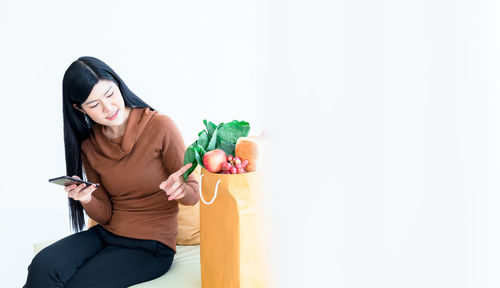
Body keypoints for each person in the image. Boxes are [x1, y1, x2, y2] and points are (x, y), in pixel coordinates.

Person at [24, 56, 199, 287]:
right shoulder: (89, 145)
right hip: (107, 234)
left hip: (152, 246)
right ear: (79, 108)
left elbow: (194, 194)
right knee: (43, 265)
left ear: (118, 84)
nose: (108, 108)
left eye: (109, 94)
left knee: (78, 284)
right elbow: (104, 214)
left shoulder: (160, 126)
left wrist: (181, 189)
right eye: (94, 104)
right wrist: (87, 198)